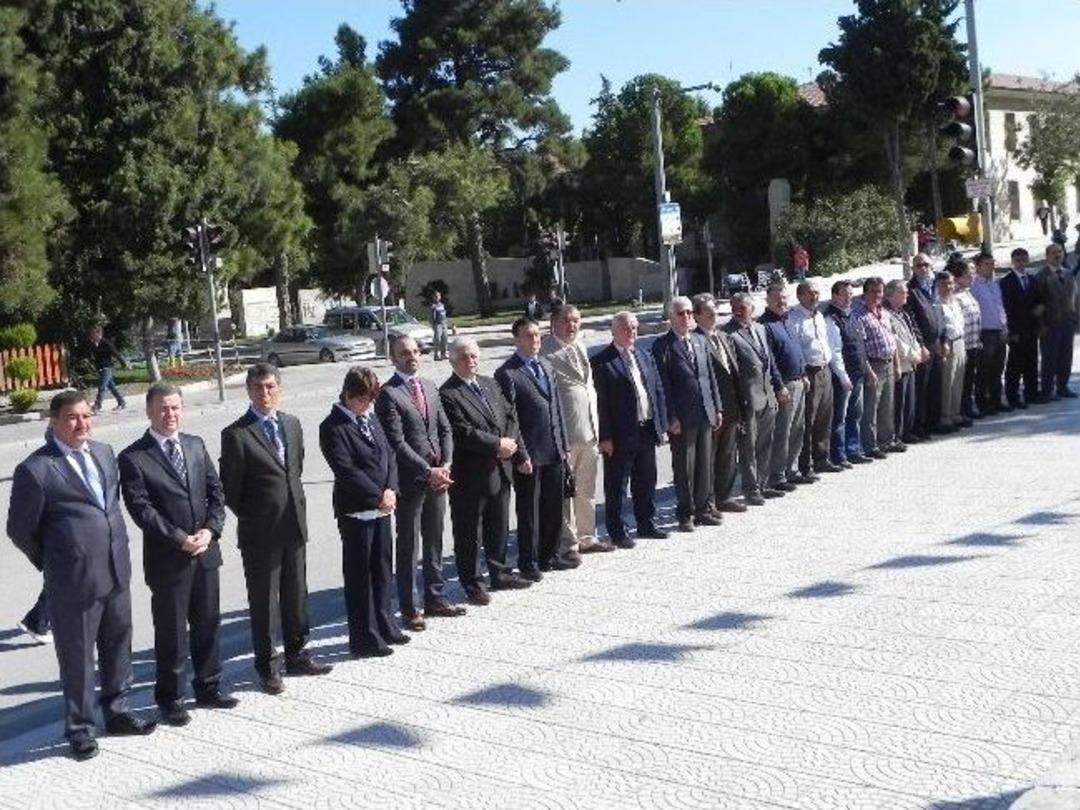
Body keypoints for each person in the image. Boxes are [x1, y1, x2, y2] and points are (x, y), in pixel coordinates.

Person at [8, 390, 156, 760]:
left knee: (118, 645)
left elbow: (109, 507)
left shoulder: (104, 453)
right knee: (77, 658)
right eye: (73, 417)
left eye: (87, 416)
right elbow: (20, 530)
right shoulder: (36, 469)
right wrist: (57, 560)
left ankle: (117, 712)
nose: (82, 423)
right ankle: (80, 729)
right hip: (72, 582)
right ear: (54, 421)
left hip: (115, 570)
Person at [118, 383, 236, 727]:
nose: (170, 414)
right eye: (163, 408)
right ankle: (171, 699)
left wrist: (211, 530)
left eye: (175, 407)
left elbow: (216, 493)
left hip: (205, 552)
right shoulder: (134, 457)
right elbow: (142, 510)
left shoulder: (195, 445)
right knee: (171, 633)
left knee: (208, 624)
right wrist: (180, 539)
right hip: (169, 560)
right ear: (149, 412)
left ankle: (209, 686)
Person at [220, 363, 331, 695]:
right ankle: (268, 667)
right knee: (265, 603)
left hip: (294, 525)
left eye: (269, 386)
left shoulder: (292, 424)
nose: (264, 393)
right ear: (248, 391)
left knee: (296, 595)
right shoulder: (236, 434)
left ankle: (298, 655)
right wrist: (257, 515)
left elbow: (294, 470)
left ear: (279, 388)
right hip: (260, 533)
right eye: (257, 387)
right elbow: (231, 490)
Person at [321, 367, 409, 658]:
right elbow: (346, 470)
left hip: (383, 508)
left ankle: (386, 624)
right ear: (348, 394)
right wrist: (377, 496)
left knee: (382, 571)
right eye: (362, 400)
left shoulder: (371, 417)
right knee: (360, 577)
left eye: (371, 400)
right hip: (357, 511)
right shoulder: (333, 426)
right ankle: (364, 637)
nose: (367, 405)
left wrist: (391, 489)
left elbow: (389, 455)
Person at [375, 337, 461, 634]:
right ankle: (411, 607)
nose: (411, 356)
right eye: (404, 353)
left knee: (434, 538)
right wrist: (427, 470)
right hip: (411, 480)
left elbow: (444, 429)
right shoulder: (388, 394)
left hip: (439, 477)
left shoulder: (430, 386)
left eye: (414, 351)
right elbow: (396, 442)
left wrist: (446, 463)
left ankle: (435, 597)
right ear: (393, 358)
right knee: (409, 544)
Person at [440, 337, 531, 603]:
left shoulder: (490, 384)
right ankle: (473, 583)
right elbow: (462, 432)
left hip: (501, 469)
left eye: (474, 356)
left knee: (499, 525)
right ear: (453, 361)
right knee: (469, 533)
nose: (471, 361)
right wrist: (497, 445)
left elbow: (511, 416)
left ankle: (500, 573)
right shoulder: (448, 393)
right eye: (464, 357)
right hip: (470, 475)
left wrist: (513, 447)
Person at [496, 318, 571, 577]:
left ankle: (550, 555)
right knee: (530, 511)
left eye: (538, 335)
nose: (535, 340)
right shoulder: (507, 373)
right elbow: (510, 419)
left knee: (554, 506)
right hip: (530, 454)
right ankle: (529, 562)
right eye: (529, 335)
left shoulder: (546, 365)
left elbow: (556, 407)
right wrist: (521, 454)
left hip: (554, 448)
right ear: (516, 339)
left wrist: (563, 443)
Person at [541, 306, 615, 555]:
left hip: (590, 431)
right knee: (565, 493)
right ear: (554, 323)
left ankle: (587, 537)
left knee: (586, 489)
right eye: (566, 320)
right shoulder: (545, 351)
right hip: (566, 434)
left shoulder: (581, 347)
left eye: (575, 321)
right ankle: (568, 543)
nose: (571, 325)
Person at [591, 311, 669, 546]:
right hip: (619, 434)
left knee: (646, 480)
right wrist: (605, 437)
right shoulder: (601, 361)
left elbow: (657, 390)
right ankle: (618, 531)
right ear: (614, 331)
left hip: (646, 429)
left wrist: (661, 424)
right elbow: (600, 404)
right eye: (625, 328)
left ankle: (646, 523)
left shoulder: (644, 355)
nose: (631, 331)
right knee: (617, 486)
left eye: (634, 327)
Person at [651, 296, 723, 532]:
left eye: (690, 313)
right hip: (682, 417)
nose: (686, 317)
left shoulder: (700, 340)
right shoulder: (663, 345)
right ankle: (685, 513)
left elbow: (710, 377)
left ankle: (703, 509)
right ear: (671, 317)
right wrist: (671, 416)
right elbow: (663, 384)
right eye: (681, 313)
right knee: (685, 468)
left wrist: (717, 407)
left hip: (705, 411)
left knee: (704, 463)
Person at [722, 293, 784, 505]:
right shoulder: (728, 334)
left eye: (742, 307)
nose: (737, 311)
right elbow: (731, 371)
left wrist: (777, 387)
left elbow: (768, 361)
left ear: (752, 308)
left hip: (767, 395)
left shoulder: (760, 328)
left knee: (765, 443)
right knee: (748, 447)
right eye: (734, 307)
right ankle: (751, 489)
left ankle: (763, 484)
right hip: (748, 399)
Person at [693, 293, 747, 513]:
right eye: (708, 311)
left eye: (715, 309)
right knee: (708, 457)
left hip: (732, 405)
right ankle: (707, 502)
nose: (713, 314)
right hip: (712, 409)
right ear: (696, 316)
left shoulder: (724, 336)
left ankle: (725, 496)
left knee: (728, 453)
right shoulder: (695, 340)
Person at [786, 282, 840, 476]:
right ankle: (805, 464)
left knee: (825, 417)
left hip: (825, 369)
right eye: (810, 293)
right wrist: (802, 374)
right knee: (808, 420)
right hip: (809, 373)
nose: (814, 297)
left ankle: (822, 459)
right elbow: (796, 349)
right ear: (800, 296)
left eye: (817, 293)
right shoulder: (794, 318)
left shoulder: (819, 315)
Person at [759, 284, 808, 490]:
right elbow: (770, 361)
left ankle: (792, 470)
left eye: (784, 298)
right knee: (782, 432)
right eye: (777, 299)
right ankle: (777, 476)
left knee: (797, 429)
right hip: (784, 386)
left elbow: (797, 350)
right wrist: (779, 386)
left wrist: (803, 374)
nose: (781, 302)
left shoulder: (788, 320)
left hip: (798, 382)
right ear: (767, 301)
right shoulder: (765, 325)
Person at [822, 280, 867, 467]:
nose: (849, 298)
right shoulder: (831, 319)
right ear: (834, 296)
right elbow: (834, 352)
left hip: (857, 373)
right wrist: (843, 376)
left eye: (850, 294)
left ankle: (853, 450)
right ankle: (839, 455)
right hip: (842, 377)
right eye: (845, 294)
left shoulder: (851, 315)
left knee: (855, 414)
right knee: (840, 418)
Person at [853, 277, 899, 458]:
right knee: (871, 407)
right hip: (873, 365)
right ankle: (870, 445)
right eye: (873, 291)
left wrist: (896, 364)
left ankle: (886, 440)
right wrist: (869, 371)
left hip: (888, 362)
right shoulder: (859, 315)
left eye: (879, 291)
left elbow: (892, 339)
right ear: (865, 292)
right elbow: (861, 348)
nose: (877, 295)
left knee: (887, 405)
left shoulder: (884, 312)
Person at [906, 253, 945, 437]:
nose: (923, 268)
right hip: (923, 344)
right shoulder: (911, 290)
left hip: (937, 342)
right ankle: (920, 425)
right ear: (913, 268)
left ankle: (934, 422)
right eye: (919, 265)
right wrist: (921, 345)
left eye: (926, 265)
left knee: (936, 384)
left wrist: (943, 340)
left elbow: (941, 315)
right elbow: (912, 321)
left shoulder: (934, 286)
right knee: (922, 386)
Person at [884, 281, 926, 447]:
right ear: (890, 294)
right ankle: (897, 435)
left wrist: (919, 350)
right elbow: (896, 342)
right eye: (902, 292)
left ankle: (908, 432)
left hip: (911, 362)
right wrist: (914, 355)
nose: (906, 295)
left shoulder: (904, 313)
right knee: (899, 402)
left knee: (909, 400)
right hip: (901, 363)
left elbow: (912, 335)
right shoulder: (887, 315)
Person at [1035, 243, 1078, 400]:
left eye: (1060, 252)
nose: (1057, 255)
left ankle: (1062, 387)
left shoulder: (1068, 274)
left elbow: (1075, 299)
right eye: (1053, 253)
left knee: (1066, 357)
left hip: (1068, 323)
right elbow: (1037, 303)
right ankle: (1047, 390)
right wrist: (1041, 325)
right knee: (1050, 359)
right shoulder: (1041, 276)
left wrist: (1076, 318)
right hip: (1050, 325)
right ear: (1047, 256)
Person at [1000, 247, 1041, 408]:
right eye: (1018, 260)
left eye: (1024, 260)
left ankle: (1031, 393)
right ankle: (1013, 397)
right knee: (1015, 365)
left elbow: (1038, 300)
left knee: (1031, 362)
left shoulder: (1032, 279)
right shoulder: (1006, 281)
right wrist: (1012, 331)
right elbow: (1007, 308)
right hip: (1016, 329)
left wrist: (1040, 308)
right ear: (1013, 262)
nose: (1021, 263)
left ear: (1027, 260)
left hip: (1031, 328)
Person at [969, 251, 1009, 415]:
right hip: (985, 332)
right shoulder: (974, 286)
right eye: (987, 264)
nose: (991, 267)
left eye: (992, 264)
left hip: (999, 330)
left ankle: (996, 400)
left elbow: (1000, 307)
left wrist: (1005, 326)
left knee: (998, 369)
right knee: (984, 370)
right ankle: (982, 403)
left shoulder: (995, 283)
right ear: (978, 266)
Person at [952, 260, 984, 420]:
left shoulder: (967, 292)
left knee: (970, 378)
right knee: (963, 380)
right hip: (963, 345)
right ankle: (961, 410)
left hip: (974, 343)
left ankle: (969, 406)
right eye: (968, 274)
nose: (972, 277)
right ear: (959, 277)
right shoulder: (955, 296)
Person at [935, 271, 966, 432]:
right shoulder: (937, 304)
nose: (948, 287)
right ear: (937, 286)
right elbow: (940, 327)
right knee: (947, 381)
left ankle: (955, 413)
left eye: (950, 283)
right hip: (947, 344)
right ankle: (945, 416)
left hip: (960, 341)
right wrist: (944, 343)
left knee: (958, 380)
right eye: (944, 284)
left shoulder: (955, 302)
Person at [88, 325, 127, 413]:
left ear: (99, 334)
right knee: (112, 387)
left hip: (107, 368)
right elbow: (95, 358)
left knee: (101, 387)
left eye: (93, 334)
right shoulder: (94, 344)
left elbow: (116, 353)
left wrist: (123, 363)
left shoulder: (106, 343)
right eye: (91, 334)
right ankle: (121, 402)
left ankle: (97, 406)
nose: (92, 336)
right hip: (100, 368)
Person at [429, 291, 449, 361]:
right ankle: (436, 355)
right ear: (433, 297)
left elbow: (444, 315)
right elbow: (431, 317)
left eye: (438, 296)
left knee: (445, 339)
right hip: (437, 324)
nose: (437, 297)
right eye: (436, 296)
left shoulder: (442, 305)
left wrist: (446, 323)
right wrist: (433, 325)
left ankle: (444, 354)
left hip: (444, 323)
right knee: (437, 340)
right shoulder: (433, 306)